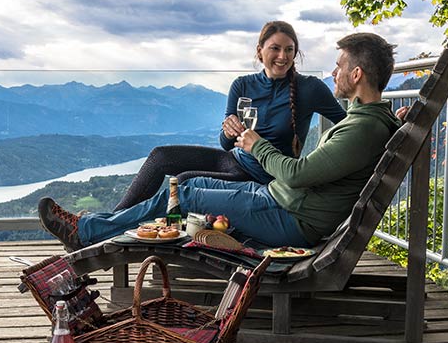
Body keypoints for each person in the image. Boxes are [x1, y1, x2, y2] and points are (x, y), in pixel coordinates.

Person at [40, 32, 406, 252]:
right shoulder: (369, 121)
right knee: (191, 183)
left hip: (291, 217)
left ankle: (88, 231)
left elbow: (298, 175)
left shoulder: (363, 127)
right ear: (260, 51)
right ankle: (97, 225)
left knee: (183, 196)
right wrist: (392, 119)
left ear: (357, 74)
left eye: (340, 66)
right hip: (278, 199)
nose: (333, 72)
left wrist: (255, 144)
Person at [112, 20, 346, 210]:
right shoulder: (242, 85)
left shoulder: (310, 88)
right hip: (233, 160)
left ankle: (128, 233)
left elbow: (347, 126)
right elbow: (225, 144)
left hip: (265, 175)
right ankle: (113, 221)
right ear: (260, 51)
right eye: (275, 48)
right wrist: (227, 130)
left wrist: (318, 166)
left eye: (289, 50)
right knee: (160, 156)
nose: (283, 56)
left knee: (184, 181)